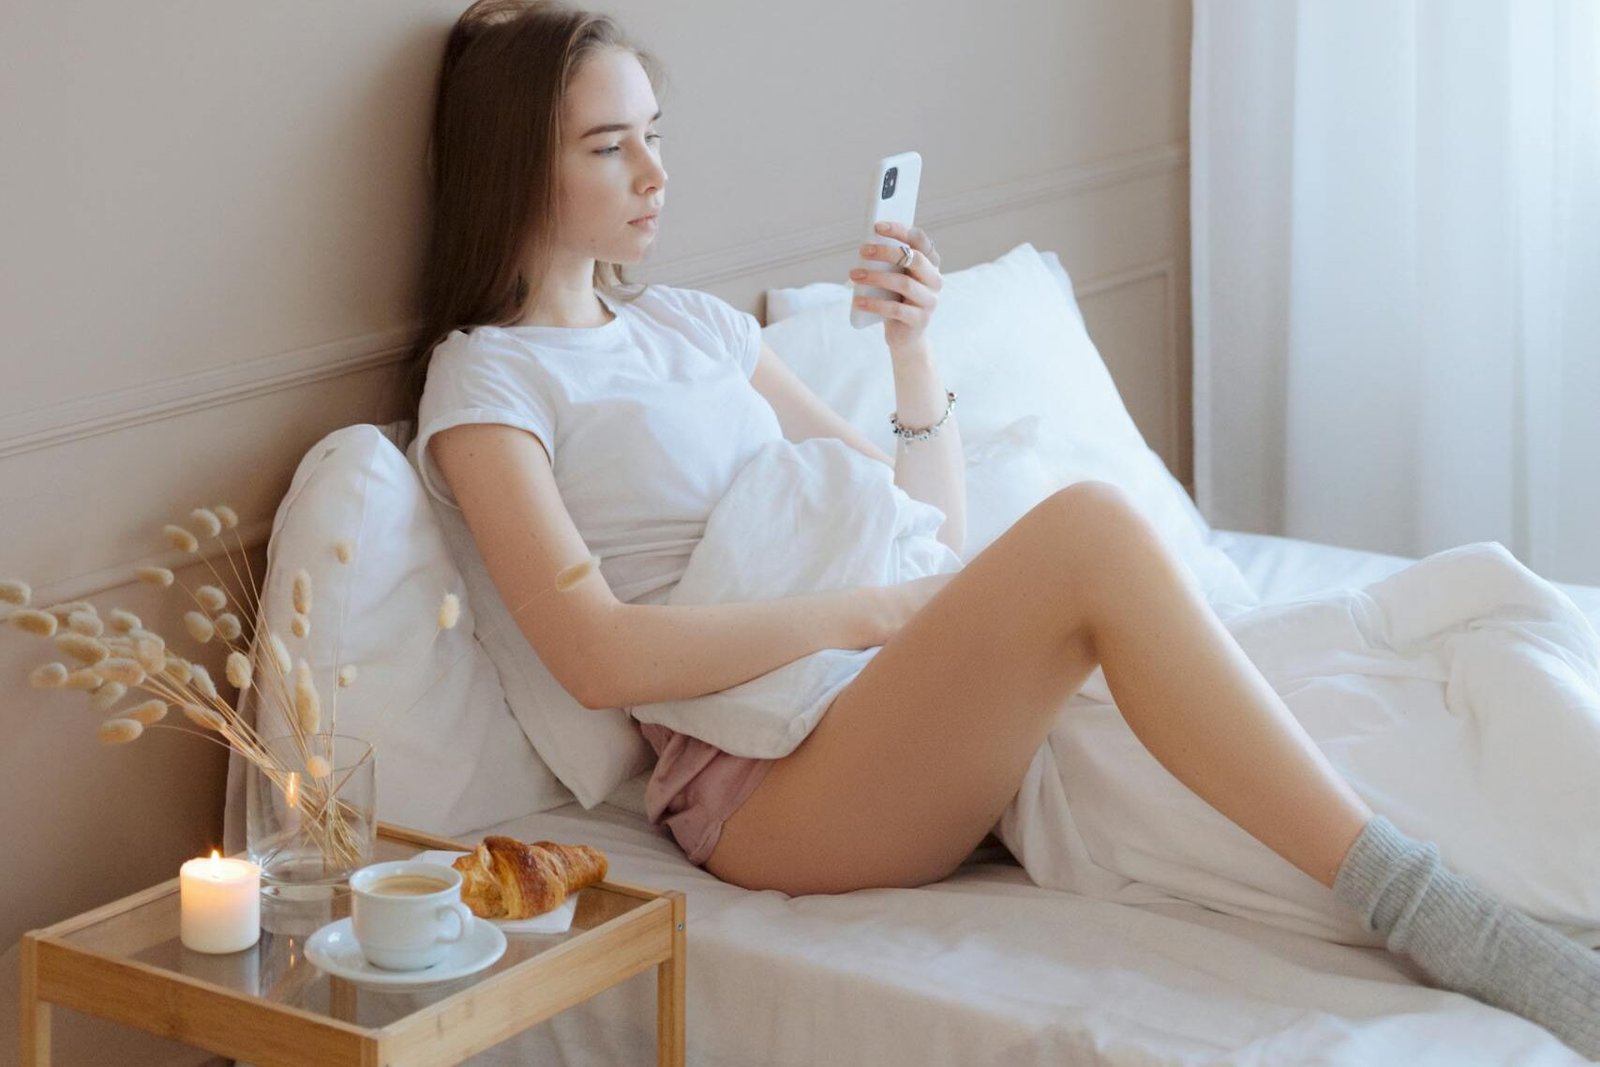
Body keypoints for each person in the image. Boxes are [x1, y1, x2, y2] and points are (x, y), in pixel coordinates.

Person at [405, 1, 1600, 1056]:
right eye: (611, 148)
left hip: (880, 689)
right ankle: (1424, 908)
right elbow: (596, 651)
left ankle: (1449, 875)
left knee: (1338, 670)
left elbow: (911, 519)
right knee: (1087, 534)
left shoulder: (696, 327)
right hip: (770, 788)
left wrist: (910, 355)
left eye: (656, 134)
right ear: (516, 169)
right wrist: (885, 609)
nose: (656, 174)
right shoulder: (491, 384)